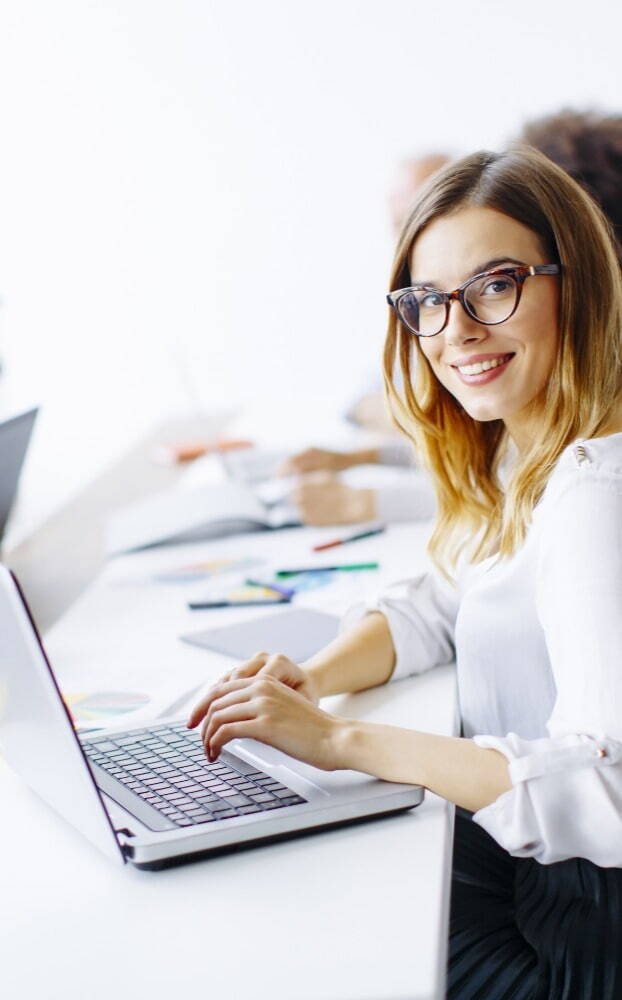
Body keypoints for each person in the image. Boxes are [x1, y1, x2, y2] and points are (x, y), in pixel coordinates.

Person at [188, 146, 622, 997]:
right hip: (535, 879)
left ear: (580, 286)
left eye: (496, 285)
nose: (456, 330)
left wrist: (342, 741)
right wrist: (312, 679)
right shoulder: (530, 450)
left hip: (579, 935)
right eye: (428, 301)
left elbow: (607, 788)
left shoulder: (594, 494)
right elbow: (445, 601)